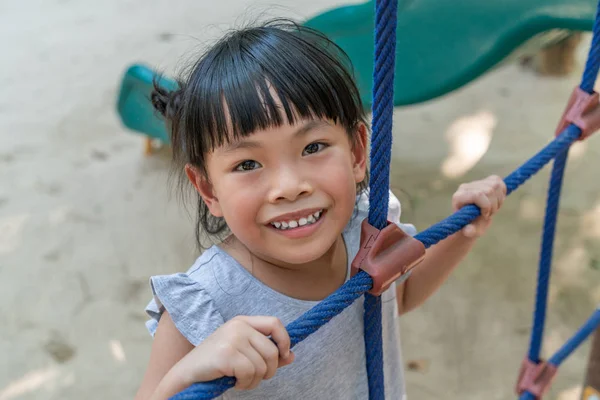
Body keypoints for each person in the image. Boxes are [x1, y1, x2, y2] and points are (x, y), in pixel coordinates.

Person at [135, 19, 507, 400]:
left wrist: (462, 229)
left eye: (312, 147)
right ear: (208, 190)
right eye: (247, 164)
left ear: (358, 153)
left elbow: (402, 295)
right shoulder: (204, 305)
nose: (289, 187)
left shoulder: (366, 224)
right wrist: (187, 375)